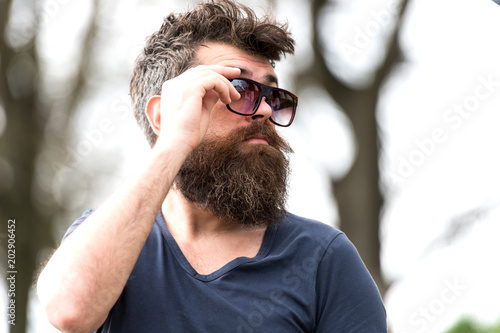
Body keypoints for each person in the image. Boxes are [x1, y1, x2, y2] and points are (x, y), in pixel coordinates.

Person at [37, 0, 387, 332]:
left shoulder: (323, 260)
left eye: (272, 96)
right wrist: (173, 144)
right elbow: (69, 312)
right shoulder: (106, 240)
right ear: (163, 115)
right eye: (238, 89)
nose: (265, 110)